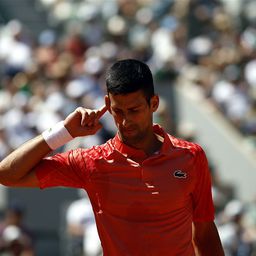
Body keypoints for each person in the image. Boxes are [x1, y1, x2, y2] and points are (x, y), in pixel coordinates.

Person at [0, 59, 224, 255]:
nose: (125, 122)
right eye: (118, 111)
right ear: (107, 105)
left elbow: (204, 233)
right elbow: (7, 174)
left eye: (134, 110)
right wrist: (63, 132)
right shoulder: (91, 162)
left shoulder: (191, 156)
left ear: (153, 103)